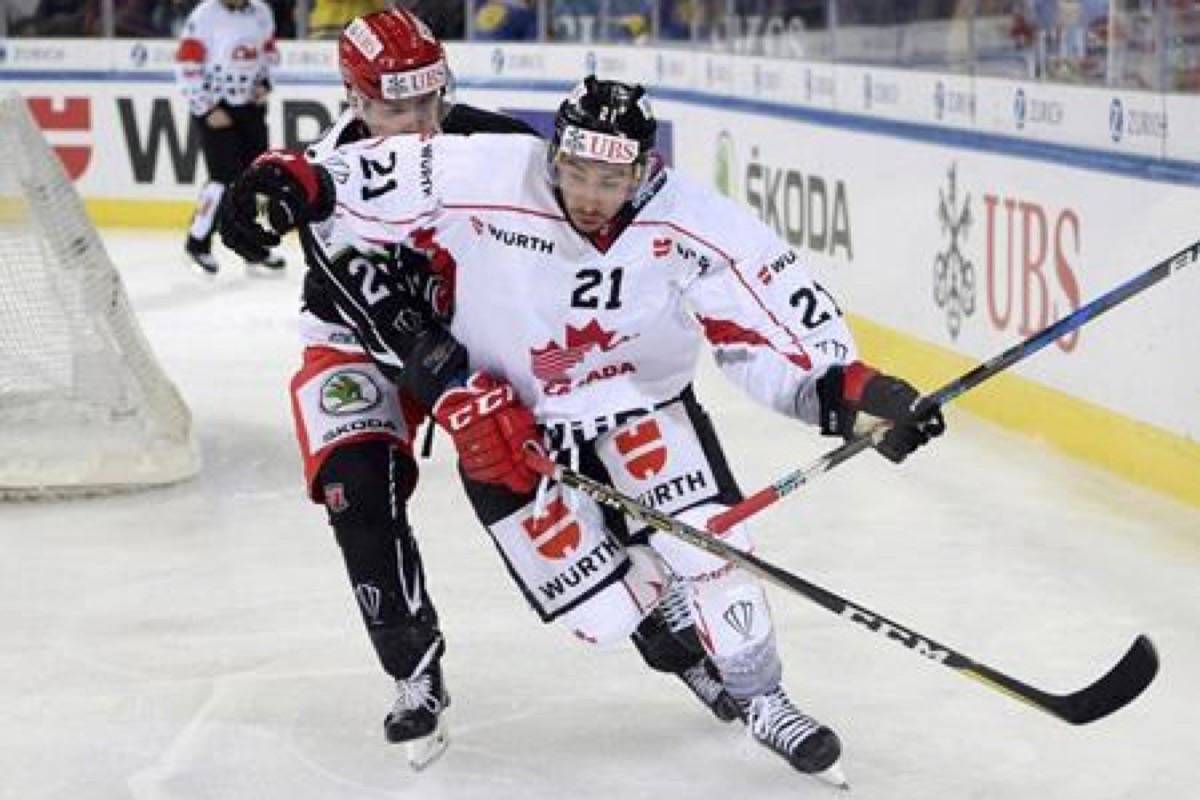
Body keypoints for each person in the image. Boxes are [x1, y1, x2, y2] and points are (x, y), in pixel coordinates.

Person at [222, 76, 943, 782]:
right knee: (599, 616)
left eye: (613, 177)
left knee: (715, 547)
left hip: (640, 408)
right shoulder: (492, 168)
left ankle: (767, 701)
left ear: (645, 167)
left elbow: (766, 332)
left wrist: (857, 394)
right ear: (554, 155)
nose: (591, 196)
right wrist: (283, 180)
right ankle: (658, 596)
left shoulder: (698, 224)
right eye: (577, 172)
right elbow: (353, 176)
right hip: (507, 424)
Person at [221, 12, 737, 770]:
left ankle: (671, 634)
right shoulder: (331, 183)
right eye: (400, 107)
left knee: (562, 464)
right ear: (354, 98)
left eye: (433, 98)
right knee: (356, 487)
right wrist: (462, 397)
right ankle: (412, 668)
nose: (423, 122)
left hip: (481, 337)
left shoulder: (495, 145)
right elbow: (385, 318)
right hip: (360, 347)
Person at [175, 0, 285, 275]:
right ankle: (197, 242)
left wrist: (265, 83)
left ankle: (251, 247)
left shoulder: (261, 11)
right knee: (222, 180)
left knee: (254, 177)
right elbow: (186, 63)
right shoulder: (204, 15)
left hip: (250, 107)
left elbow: (269, 53)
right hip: (216, 108)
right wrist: (207, 107)